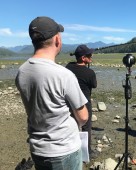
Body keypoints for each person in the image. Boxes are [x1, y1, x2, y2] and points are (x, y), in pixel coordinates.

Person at [15, 16, 89, 170]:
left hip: (38, 149)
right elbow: (83, 117)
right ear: (57, 39)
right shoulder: (63, 74)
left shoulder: (21, 71)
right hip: (64, 150)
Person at [66, 44, 97, 159]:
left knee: (71, 125)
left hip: (69, 102)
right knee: (86, 127)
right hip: (84, 103)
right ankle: (87, 152)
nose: (91, 57)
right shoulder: (90, 73)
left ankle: (71, 148)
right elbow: (94, 85)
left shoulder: (68, 67)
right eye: (89, 55)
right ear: (83, 58)